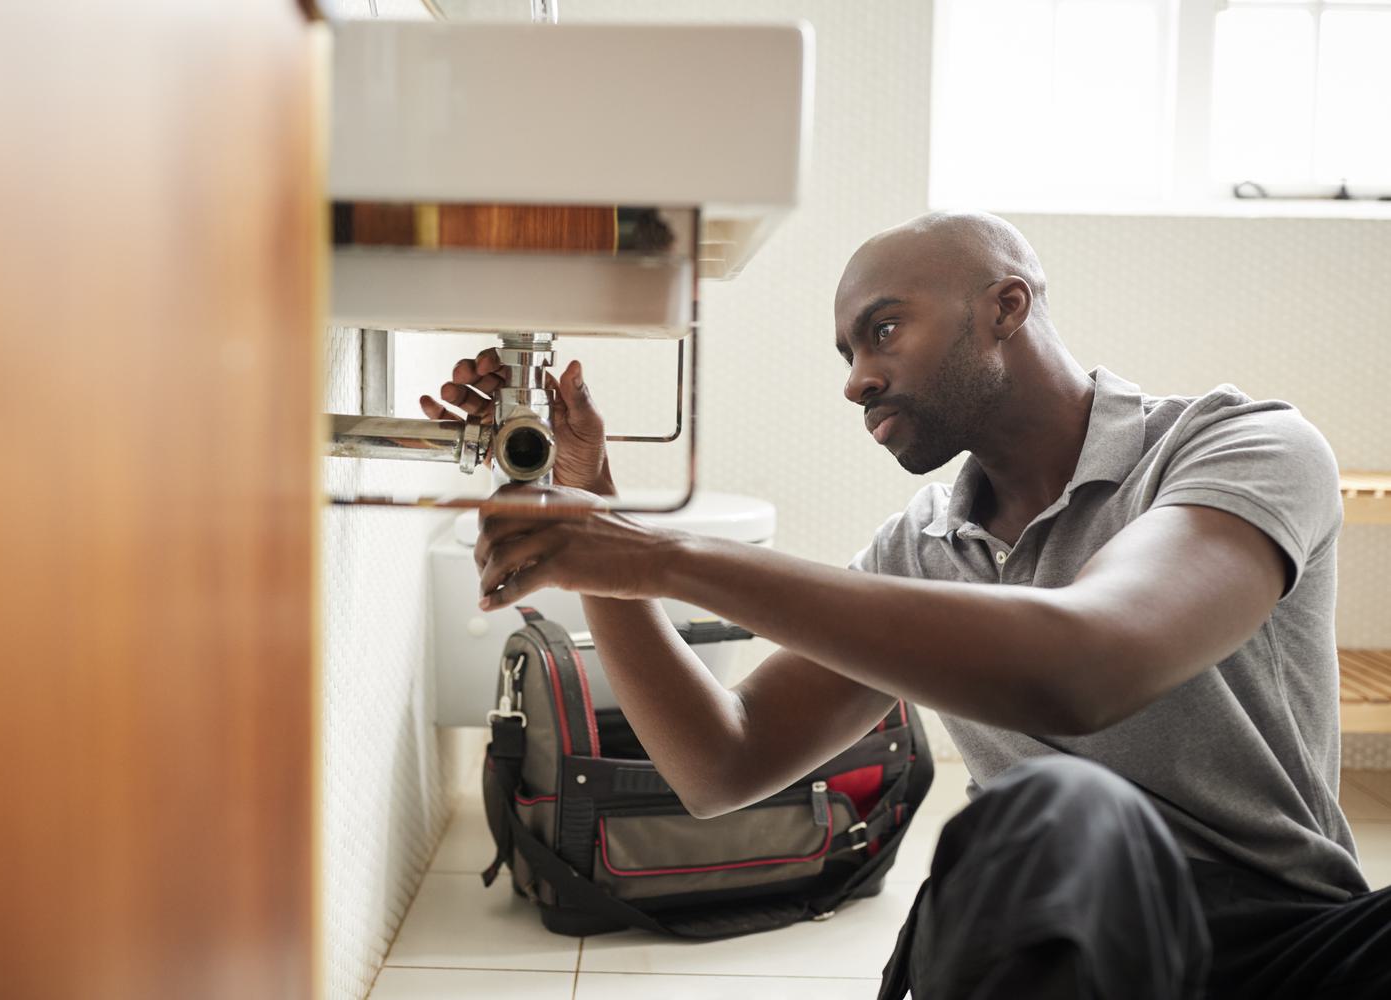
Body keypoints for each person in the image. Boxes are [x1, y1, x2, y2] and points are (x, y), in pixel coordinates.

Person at [419, 211, 1391, 999]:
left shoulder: (1240, 446)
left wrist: (663, 555)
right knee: (1058, 809)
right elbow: (723, 760)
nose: (856, 380)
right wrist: (604, 540)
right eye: (847, 350)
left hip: (1290, 939)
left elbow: (1089, 665)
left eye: (881, 330)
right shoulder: (921, 547)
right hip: (1061, 923)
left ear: (1005, 307)